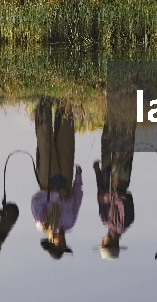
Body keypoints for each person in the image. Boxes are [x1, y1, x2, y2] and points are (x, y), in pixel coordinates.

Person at [31, 97, 83, 259]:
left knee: (46, 144)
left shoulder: (42, 223)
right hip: (66, 180)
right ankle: (65, 101)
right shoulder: (70, 222)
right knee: (66, 140)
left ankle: (43, 103)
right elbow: (77, 199)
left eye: (58, 245)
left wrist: (55, 195)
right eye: (63, 245)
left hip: (49, 182)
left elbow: (36, 201)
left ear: (51, 241)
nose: (62, 243)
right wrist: (78, 179)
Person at [92, 111, 136, 260]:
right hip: (120, 180)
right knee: (123, 146)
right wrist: (113, 195)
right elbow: (125, 200)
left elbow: (100, 195)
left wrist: (97, 173)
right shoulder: (124, 223)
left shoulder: (104, 220)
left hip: (105, 178)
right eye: (103, 244)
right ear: (109, 243)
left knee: (107, 142)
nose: (101, 240)